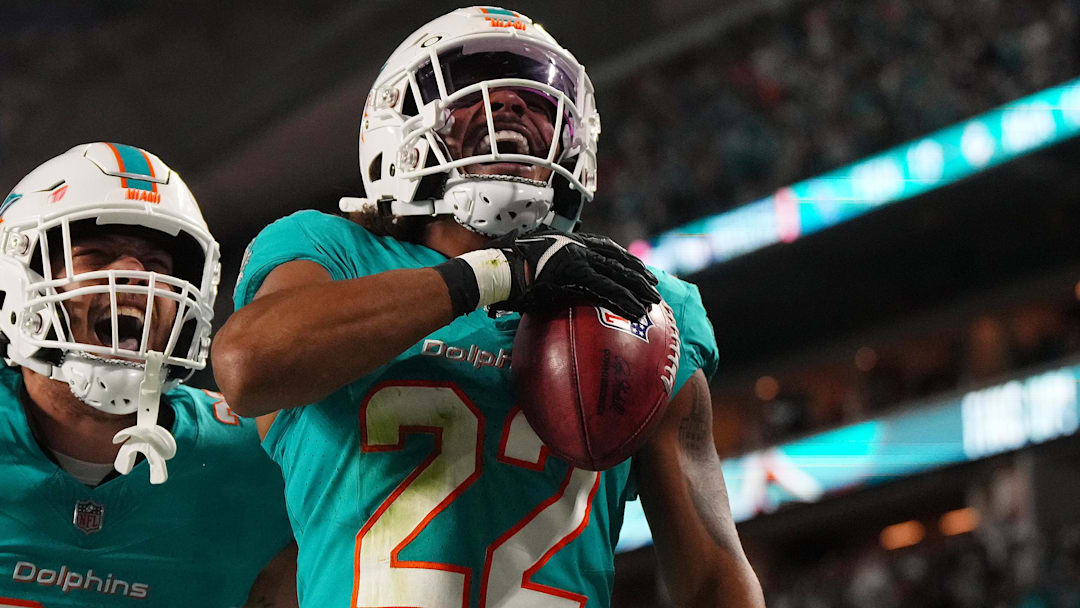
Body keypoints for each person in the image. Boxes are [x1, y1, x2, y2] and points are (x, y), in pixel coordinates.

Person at [214, 7, 764, 608]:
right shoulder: (332, 252)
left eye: (534, 99)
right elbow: (249, 365)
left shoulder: (644, 305)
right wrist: (497, 275)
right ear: (401, 126)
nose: (509, 107)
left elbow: (713, 578)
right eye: (476, 88)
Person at [0, 143, 296, 607]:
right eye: (96, 254)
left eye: (158, 265)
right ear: (19, 279)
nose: (136, 275)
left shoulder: (256, 455)